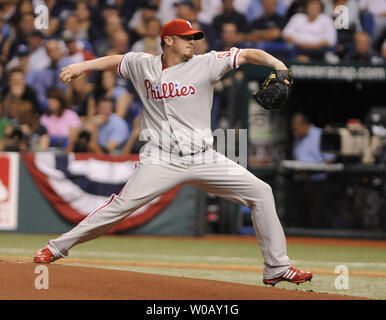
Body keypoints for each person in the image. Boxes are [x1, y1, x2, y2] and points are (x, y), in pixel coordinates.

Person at [34, 18, 312, 286]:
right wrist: (81, 66)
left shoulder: (207, 63)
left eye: (194, 38)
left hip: (204, 156)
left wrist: (279, 65)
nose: (192, 42)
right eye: (187, 38)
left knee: (261, 192)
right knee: (119, 207)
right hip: (161, 158)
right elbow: (115, 59)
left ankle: (277, 267)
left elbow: (250, 54)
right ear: (168, 40)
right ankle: (56, 248)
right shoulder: (142, 64)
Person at [285, 113, 335, 229]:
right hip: (301, 183)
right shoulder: (298, 138)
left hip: (318, 183)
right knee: (299, 218)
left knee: (317, 218)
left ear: (304, 125)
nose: (294, 133)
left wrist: (310, 171)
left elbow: (330, 160)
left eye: (296, 129)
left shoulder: (320, 134)